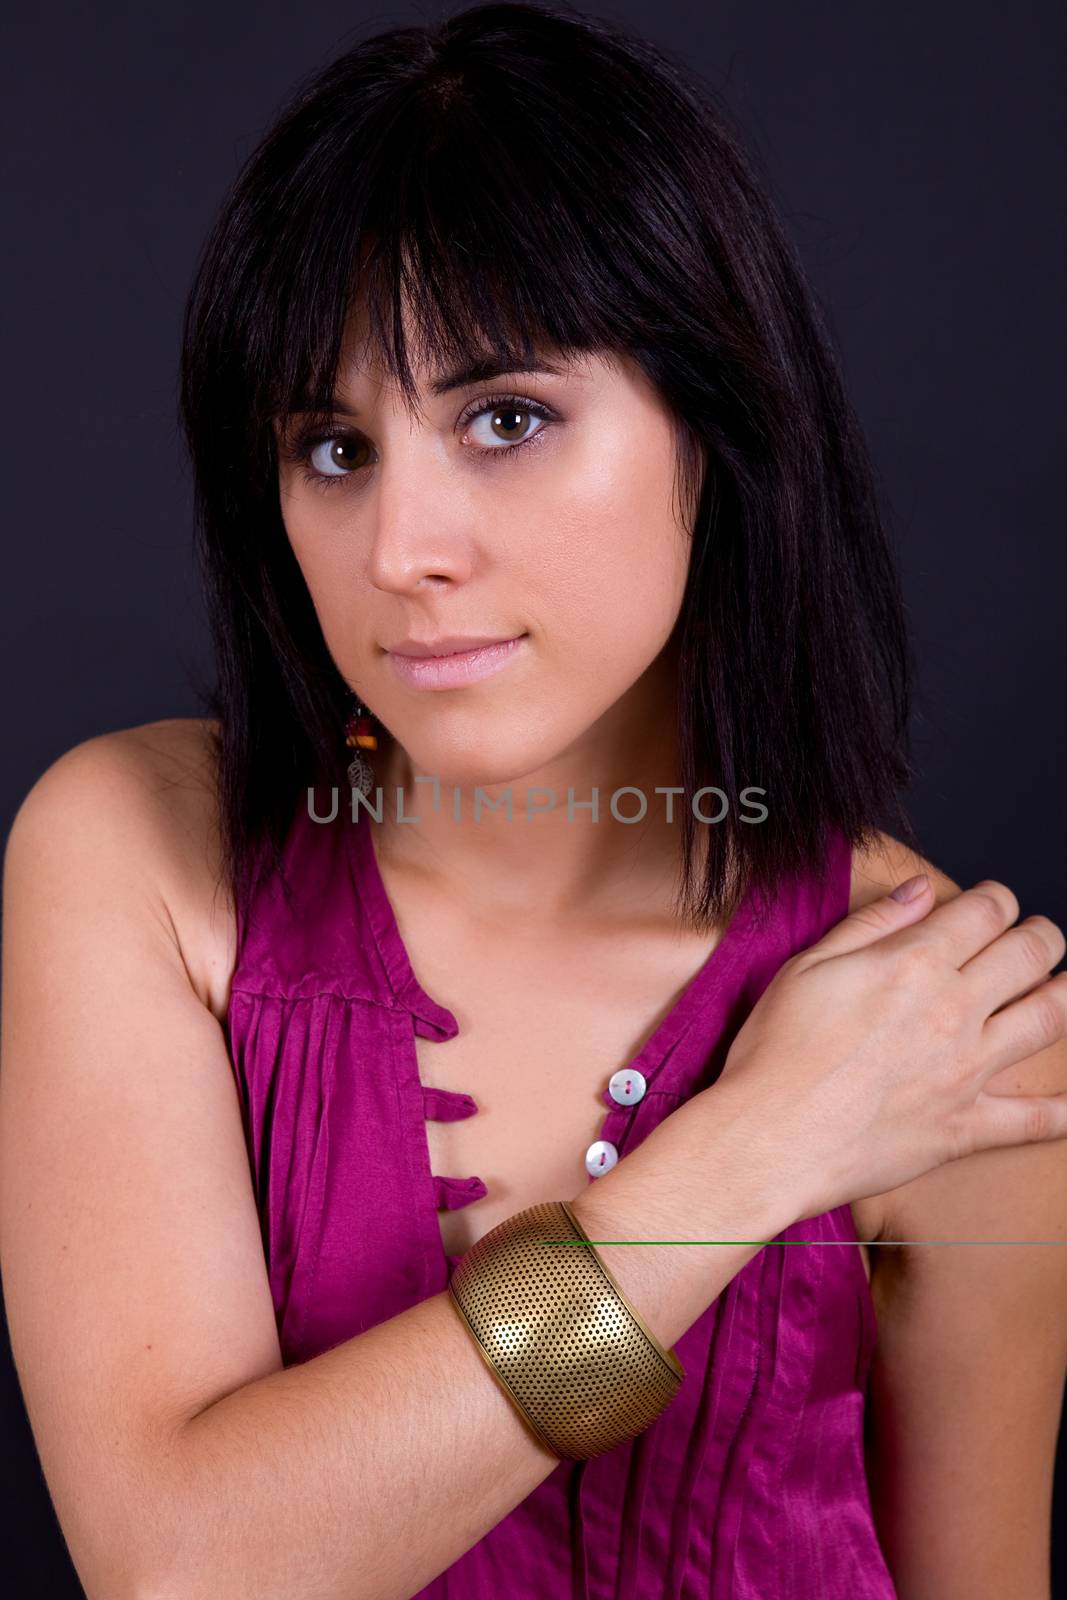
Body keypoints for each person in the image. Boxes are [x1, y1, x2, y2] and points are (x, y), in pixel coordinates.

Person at [2, 4, 1066, 1597]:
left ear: (714, 433)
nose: (400, 551)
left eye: (506, 418)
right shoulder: (138, 858)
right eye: (334, 446)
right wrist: (757, 1152)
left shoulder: (949, 1025)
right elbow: (184, 1573)